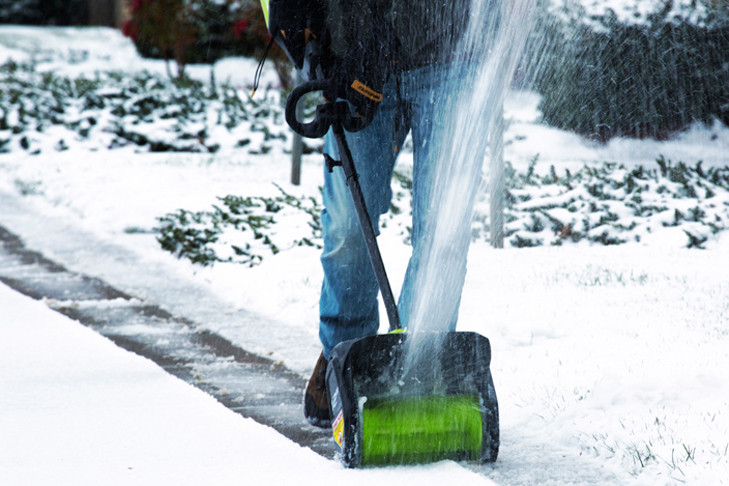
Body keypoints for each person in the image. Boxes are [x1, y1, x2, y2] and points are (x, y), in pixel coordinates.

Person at [302, 0, 491, 427]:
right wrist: (307, 44)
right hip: (351, 54)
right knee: (349, 228)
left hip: (452, 50)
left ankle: (417, 370)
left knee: (444, 230)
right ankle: (346, 359)